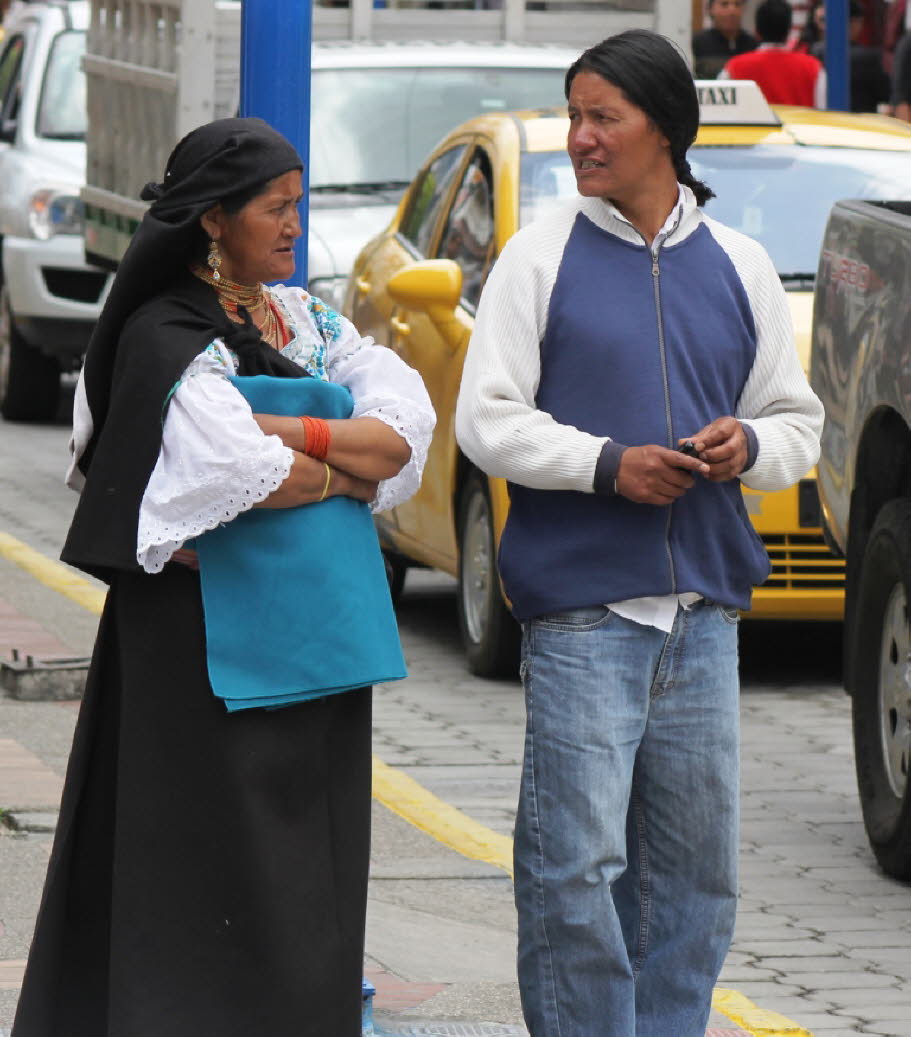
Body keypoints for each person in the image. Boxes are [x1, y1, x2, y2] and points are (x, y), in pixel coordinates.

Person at [12, 118, 435, 1037]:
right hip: (197, 654)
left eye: (296, 204)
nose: (294, 224)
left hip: (310, 643)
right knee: (199, 865)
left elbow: (400, 427)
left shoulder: (304, 319)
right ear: (212, 219)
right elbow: (238, 470)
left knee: (304, 868)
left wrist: (297, 434)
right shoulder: (162, 335)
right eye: (275, 208)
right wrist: (340, 466)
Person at [455, 29, 823, 1037]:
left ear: (662, 128)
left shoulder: (740, 265)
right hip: (581, 617)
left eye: (599, 115)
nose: (578, 136)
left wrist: (746, 443)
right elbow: (483, 418)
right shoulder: (536, 258)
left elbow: (798, 424)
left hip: (702, 617)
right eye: (572, 114)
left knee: (696, 876)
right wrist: (606, 463)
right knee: (572, 869)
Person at [721, 0, 827, 107]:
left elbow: (720, 108)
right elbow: (825, 110)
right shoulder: (813, 68)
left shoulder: (734, 67)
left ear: (756, 31)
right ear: (789, 30)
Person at [794, 0, 891, 112]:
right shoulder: (869, 58)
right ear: (854, 23)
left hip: (820, 121)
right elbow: (886, 94)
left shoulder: (812, 52)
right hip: (860, 123)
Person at [692, 0, 758, 79]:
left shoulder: (753, 45)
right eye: (724, 4)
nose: (732, 11)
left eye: (737, 4)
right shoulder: (698, 42)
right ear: (710, 9)